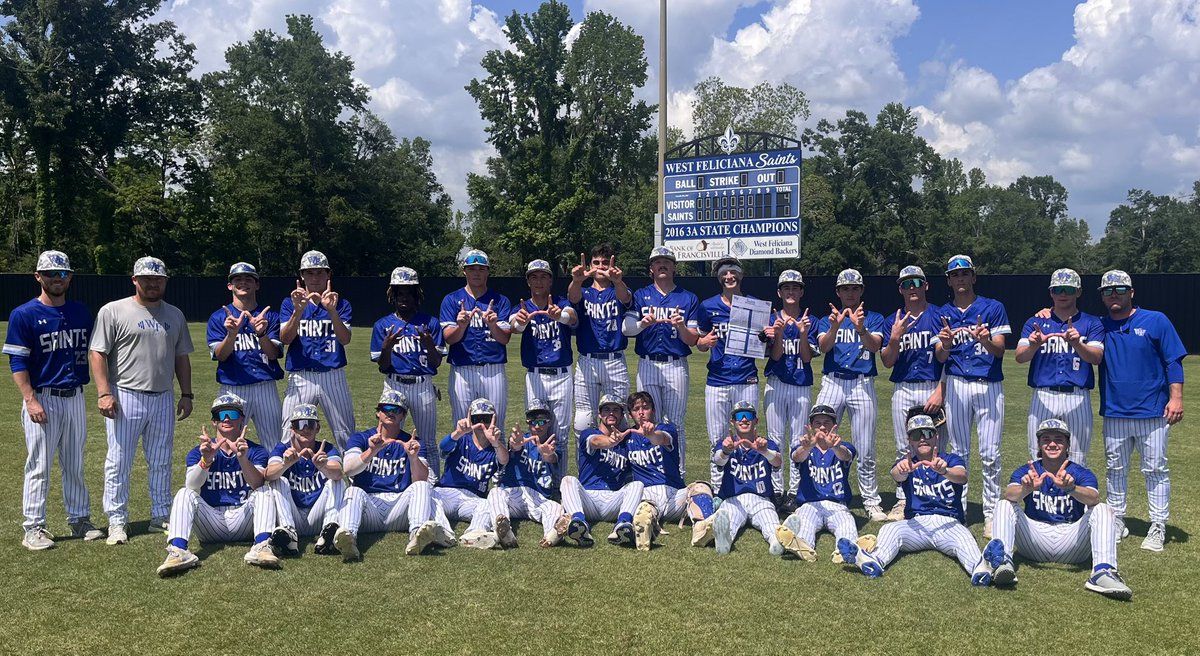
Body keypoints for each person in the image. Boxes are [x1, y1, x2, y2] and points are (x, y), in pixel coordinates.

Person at [90, 256, 194, 545]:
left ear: (165, 281)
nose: (152, 283)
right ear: (135, 280)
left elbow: (180, 357)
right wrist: (104, 392)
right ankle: (116, 520)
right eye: (146, 278)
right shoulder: (114, 310)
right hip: (124, 394)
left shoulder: (174, 314)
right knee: (119, 460)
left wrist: (186, 393)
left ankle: (160, 515)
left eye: (157, 279)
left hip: (162, 396)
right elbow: (97, 353)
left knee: (161, 460)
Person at [5, 250, 103, 549]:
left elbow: (96, 352)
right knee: (40, 465)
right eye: (50, 274)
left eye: (62, 274)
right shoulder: (24, 314)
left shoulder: (80, 312)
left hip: (74, 395)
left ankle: (79, 519)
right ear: (38, 277)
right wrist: (30, 399)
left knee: (74, 462)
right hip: (43, 396)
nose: (56, 279)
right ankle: (33, 526)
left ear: (69, 277)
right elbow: (17, 362)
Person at [837, 414, 995, 586]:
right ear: (909, 441)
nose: (922, 439)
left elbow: (962, 477)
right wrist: (904, 470)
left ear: (936, 436)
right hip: (916, 524)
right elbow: (895, 474)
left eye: (927, 433)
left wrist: (944, 471)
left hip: (948, 523)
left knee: (964, 539)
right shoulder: (907, 462)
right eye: (915, 435)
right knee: (890, 530)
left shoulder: (950, 460)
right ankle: (872, 561)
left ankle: (980, 568)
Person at [983, 419, 1131, 599]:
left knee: (1103, 509)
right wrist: (1026, 489)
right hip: (1035, 539)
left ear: (1068, 444)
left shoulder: (1080, 472)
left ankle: (1102, 572)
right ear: (1039, 444)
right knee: (1004, 504)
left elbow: (1094, 498)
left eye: (1059, 439)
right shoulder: (1029, 470)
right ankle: (1002, 563)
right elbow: (1010, 494)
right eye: (1046, 439)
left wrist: (1071, 488)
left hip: (1071, 541)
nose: (1052, 444)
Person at [1095, 269, 1185, 552]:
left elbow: (1173, 361)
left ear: (1131, 292)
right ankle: (1117, 518)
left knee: (1156, 468)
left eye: (1120, 290)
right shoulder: (1100, 326)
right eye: (1108, 291)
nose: (1114, 295)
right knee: (1115, 469)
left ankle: (1157, 524)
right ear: (1102, 296)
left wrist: (1176, 398)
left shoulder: (1155, 320)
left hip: (1152, 411)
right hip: (1115, 411)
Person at [156, 393, 278, 576]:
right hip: (210, 521)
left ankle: (261, 546)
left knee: (265, 491)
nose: (227, 419)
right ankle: (179, 551)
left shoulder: (255, 450)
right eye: (221, 415)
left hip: (243, 519)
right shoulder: (200, 451)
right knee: (184, 493)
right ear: (214, 421)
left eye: (233, 414)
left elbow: (257, 483)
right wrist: (206, 460)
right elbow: (192, 486)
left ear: (242, 420)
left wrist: (243, 458)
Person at [934, 254, 1010, 538]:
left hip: (988, 383)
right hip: (956, 383)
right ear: (949, 280)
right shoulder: (943, 312)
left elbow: (1000, 350)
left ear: (973, 277)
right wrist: (945, 343)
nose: (960, 279)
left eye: (965, 273)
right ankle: (958, 508)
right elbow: (940, 355)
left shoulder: (992, 307)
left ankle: (990, 512)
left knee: (990, 453)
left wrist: (985, 340)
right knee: (959, 452)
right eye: (955, 275)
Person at [334, 390, 448, 561]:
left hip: (398, 508)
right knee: (353, 491)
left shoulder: (413, 441)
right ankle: (349, 539)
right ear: (378, 412)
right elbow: (349, 469)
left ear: (403, 415)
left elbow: (421, 479)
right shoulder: (361, 438)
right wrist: (372, 451)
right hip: (369, 506)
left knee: (422, 486)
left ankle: (417, 535)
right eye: (386, 408)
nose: (391, 413)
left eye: (397, 410)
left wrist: (413, 457)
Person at [814, 268, 887, 522]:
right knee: (820, 439)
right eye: (845, 288)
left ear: (861, 291)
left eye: (855, 288)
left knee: (865, 446)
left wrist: (861, 328)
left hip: (862, 383)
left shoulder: (874, 318)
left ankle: (870, 500)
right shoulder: (828, 319)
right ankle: (819, 491)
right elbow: (824, 347)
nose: (850, 292)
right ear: (838, 291)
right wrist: (835, 327)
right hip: (833, 381)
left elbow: (875, 346)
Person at [622, 246, 700, 477]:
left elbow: (692, 339)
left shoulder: (688, 298)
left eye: (667, 261)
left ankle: (678, 473)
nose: (662, 265)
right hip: (647, 363)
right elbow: (628, 330)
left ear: (674, 267)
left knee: (675, 422)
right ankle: (648, 472)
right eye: (657, 262)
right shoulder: (640, 295)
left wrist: (680, 326)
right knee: (645, 420)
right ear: (651, 269)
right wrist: (643, 324)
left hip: (676, 363)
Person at [1014, 268, 1103, 465]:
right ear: (1051, 292)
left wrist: (1078, 344)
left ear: (1078, 292)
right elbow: (1020, 357)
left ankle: (1072, 496)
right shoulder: (1036, 321)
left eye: (1069, 290)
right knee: (1038, 455)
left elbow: (1096, 358)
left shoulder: (1091, 322)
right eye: (1058, 289)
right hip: (1043, 394)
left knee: (1078, 458)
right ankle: (1041, 496)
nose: (1063, 294)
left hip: (1077, 396)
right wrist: (1034, 345)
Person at [879, 265, 945, 521]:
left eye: (917, 282)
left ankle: (936, 498)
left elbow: (947, 358)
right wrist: (894, 337)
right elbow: (886, 361)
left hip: (932, 386)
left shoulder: (940, 315)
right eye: (906, 284)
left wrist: (941, 390)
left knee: (936, 446)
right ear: (900, 289)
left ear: (926, 285)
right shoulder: (892, 320)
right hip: (904, 387)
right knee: (904, 447)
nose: (912, 288)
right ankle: (903, 500)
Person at [279, 250, 355, 450]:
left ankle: (353, 479)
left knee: (345, 433)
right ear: (302, 276)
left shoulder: (341, 303)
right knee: (289, 432)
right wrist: (298, 311)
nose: (315, 278)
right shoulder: (290, 303)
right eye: (309, 273)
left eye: (319, 272)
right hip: (301, 376)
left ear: (328, 275)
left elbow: (345, 339)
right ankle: (289, 478)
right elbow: (285, 339)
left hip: (333, 375)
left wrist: (331, 310)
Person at [371, 266, 444, 475]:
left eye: (409, 293)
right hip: (394, 383)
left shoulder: (430, 323)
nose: (404, 297)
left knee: (427, 441)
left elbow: (436, 362)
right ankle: (387, 478)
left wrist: (429, 344)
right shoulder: (383, 325)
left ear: (417, 295)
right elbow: (383, 366)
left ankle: (432, 483)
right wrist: (386, 348)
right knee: (387, 436)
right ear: (392, 295)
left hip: (422, 385)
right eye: (399, 293)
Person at [697, 256, 761, 488]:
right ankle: (718, 488)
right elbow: (700, 342)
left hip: (747, 377)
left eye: (733, 272)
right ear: (719, 278)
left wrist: (768, 335)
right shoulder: (708, 306)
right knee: (717, 437)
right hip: (717, 379)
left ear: (741, 275)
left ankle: (748, 483)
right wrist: (704, 342)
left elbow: (763, 340)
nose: (729, 276)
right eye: (724, 273)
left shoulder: (754, 304)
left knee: (747, 435)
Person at [206, 262, 284, 450]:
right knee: (228, 443)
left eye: (249, 279)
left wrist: (261, 334)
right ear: (230, 285)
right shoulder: (219, 318)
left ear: (257, 284)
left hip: (265, 386)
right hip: (232, 389)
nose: (243, 283)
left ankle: (274, 480)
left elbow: (273, 354)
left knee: (274, 444)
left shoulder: (269, 316)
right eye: (237, 279)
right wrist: (231, 334)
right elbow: (221, 356)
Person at [624, 391, 715, 551]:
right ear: (631, 414)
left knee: (701, 487)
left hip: (674, 494)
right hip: (647, 494)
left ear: (653, 410)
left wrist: (651, 434)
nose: (641, 412)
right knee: (645, 510)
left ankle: (702, 528)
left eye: (645, 407)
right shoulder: (628, 437)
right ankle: (644, 530)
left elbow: (661, 439)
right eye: (636, 409)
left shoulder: (666, 428)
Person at [510, 259, 577, 475]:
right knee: (536, 430)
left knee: (560, 434)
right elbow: (515, 326)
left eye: (543, 276)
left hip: (561, 375)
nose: (539, 281)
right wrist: (522, 321)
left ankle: (558, 482)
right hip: (535, 375)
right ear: (528, 281)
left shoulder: (560, 302)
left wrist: (561, 316)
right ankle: (538, 480)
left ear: (550, 280)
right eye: (534, 277)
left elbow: (572, 317)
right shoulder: (522, 307)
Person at [775, 405, 862, 562]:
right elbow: (796, 457)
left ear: (835, 426)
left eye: (827, 423)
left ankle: (844, 552)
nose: (822, 427)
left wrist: (835, 446)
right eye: (818, 423)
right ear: (811, 427)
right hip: (810, 504)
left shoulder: (844, 446)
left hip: (837, 504)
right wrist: (807, 448)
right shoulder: (803, 447)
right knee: (805, 523)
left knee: (846, 524)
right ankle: (803, 547)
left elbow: (845, 456)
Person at [559, 394, 646, 547]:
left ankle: (622, 525)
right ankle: (579, 522)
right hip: (588, 499)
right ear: (599, 414)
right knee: (568, 480)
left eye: (615, 410)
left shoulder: (626, 444)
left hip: (613, 501)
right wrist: (610, 441)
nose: (611, 413)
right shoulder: (588, 433)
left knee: (637, 484)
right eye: (606, 409)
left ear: (622, 415)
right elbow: (595, 442)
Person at [440, 249, 512, 429]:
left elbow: (504, 339)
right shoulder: (451, 299)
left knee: (495, 427)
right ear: (464, 271)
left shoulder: (500, 300)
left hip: (493, 369)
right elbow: (449, 338)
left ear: (488, 271)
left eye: (481, 268)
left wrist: (493, 325)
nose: (476, 273)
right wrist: (461, 326)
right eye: (472, 269)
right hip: (462, 369)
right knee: (463, 426)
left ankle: (494, 458)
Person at [761, 269, 815, 510]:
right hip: (776, 383)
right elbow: (774, 355)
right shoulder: (772, 320)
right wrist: (779, 334)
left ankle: (793, 491)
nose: (791, 291)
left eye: (795, 287)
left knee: (797, 441)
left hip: (801, 384)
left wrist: (803, 334)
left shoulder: (808, 320)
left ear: (802, 291)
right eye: (786, 288)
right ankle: (775, 489)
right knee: (774, 439)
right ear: (779, 292)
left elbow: (806, 357)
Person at [703, 401, 784, 555]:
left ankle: (776, 541)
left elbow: (778, 462)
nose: (744, 419)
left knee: (769, 521)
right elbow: (718, 460)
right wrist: (726, 451)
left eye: (749, 415)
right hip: (734, 498)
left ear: (756, 421)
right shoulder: (726, 443)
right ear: (733, 422)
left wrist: (765, 451)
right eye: (739, 416)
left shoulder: (766, 443)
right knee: (729, 521)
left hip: (760, 499)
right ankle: (724, 540)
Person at [264, 404, 345, 557]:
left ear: (318, 428)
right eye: (300, 425)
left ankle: (328, 533)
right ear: (292, 429)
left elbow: (338, 473)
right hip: (293, 514)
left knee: (337, 482)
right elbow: (269, 475)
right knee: (278, 481)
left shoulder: (325, 448)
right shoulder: (282, 449)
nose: (305, 429)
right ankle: (289, 534)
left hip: (318, 515)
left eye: (310, 424)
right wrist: (285, 464)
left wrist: (323, 466)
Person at [568, 244, 632, 432]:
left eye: (605, 263)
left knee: (619, 419)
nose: (601, 266)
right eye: (596, 262)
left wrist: (618, 281)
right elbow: (572, 297)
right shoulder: (585, 291)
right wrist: (577, 280)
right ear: (589, 266)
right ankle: (587, 462)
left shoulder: (617, 289)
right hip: (587, 360)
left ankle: (617, 460)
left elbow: (626, 298)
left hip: (615, 360)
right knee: (583, 420)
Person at [491, 399, 572, 548]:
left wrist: (546, 454)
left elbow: (552, 458)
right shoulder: (522, 439)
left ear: (549, 422)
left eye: (541, 422)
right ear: (527, 423)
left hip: (538, 497)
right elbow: (514, 446)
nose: (536, 426)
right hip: (514, 493)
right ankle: (504, 531)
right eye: (532, 421)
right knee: (496, 492)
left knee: (555, 508)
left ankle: (551, 535)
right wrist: (515, 445)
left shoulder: (553, 444)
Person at [432, 398, 509, 549]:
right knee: (430, 496)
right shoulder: (462, 439)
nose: (481, 424)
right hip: (447, 492)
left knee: (488, 505)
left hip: (472, 498)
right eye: (476, 419)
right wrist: (457, 433)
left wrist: (495, 442)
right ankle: (442, 532)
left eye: (486, 419)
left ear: (494, 420)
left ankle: (474, 535)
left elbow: (504, 460)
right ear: (470, 419)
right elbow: (443, 448)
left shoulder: (496, 446)